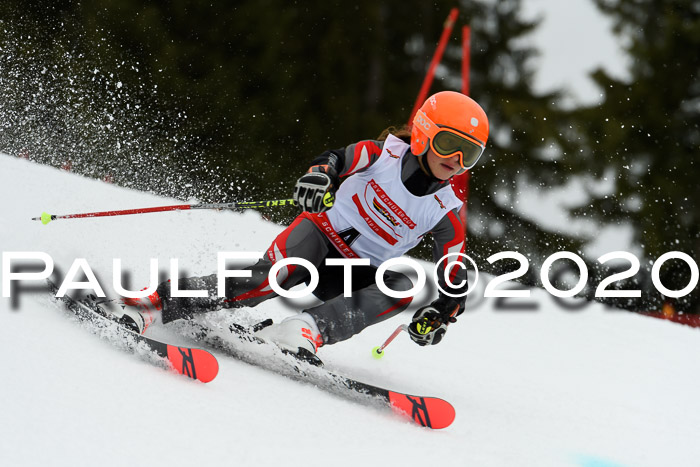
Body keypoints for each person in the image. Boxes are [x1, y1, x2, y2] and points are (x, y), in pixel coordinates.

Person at [114, 90, 488, 361]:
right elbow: (335, 160)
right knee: (270, 277)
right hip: (318, 238)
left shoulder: (446, 211)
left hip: (356, 273)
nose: (456, 159)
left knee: (404, 286)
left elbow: (452, 277)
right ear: (423, 132)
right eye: (448, 144)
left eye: (468, 153)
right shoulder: (382, 155)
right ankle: (154, 304)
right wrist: (319, 177)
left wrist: (440, 314)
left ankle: (304, 329)